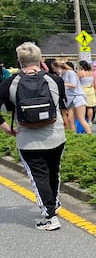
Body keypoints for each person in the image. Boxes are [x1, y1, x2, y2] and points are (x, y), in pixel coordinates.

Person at [0, 42, 68, 230]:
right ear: (40, 59)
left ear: (19, 61)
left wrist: (6, 127)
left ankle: (50, 216)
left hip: (27, 138)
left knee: (39, 176)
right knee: (54, 171)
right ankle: (53, 203)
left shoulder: (10, 83)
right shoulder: (55, 80)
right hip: (55, 135)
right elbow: (62, 106)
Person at [53, 60, 92, 134]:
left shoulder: (70, 73)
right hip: (70, 99)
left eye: (54, 68)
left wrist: (63, 84)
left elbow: (74, 85)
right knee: (71, 119)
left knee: (81, 118)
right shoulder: (62, 75)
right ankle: (74, 135)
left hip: (78, 97)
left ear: (59, 67)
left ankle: (89, 134)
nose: (54, 71)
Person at [78, 60, 96, 126]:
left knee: (82, 106)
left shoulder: (80, 72)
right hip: (90, 89)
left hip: (82, 89)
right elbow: (94, 82)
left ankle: (82, 120)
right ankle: (89, 121)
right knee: (90, 107)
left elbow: (77, 81)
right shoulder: (91, 73)